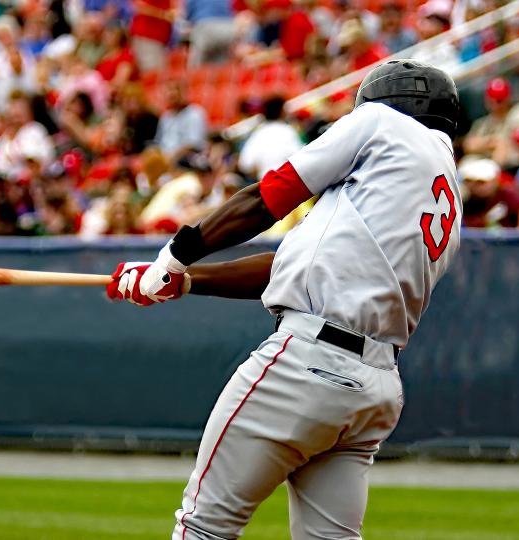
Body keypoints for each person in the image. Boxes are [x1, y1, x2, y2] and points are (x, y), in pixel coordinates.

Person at [106, 60, 461, 539]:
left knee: (203, 527)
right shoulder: (445, 192)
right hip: (373, 389)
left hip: (307, 363)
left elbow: (268, 197)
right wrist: (185, 280)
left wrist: (173, 256)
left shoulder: (381, 123)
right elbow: (290, 265)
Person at [238, 96, 304, 180]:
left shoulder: (258, 133)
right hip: (286, 182)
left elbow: (245, 164)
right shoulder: (288, 131)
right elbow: (299, 158)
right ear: (281, 112)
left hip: (265, 183)